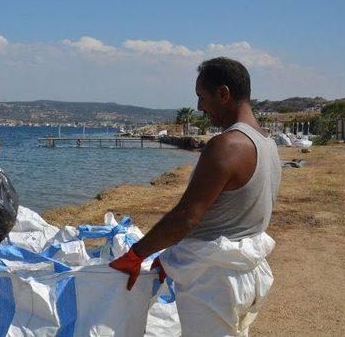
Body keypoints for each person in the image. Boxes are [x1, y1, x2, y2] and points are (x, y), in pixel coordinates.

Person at [110, 57, 281, 336]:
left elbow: (187, 217)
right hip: (246, 272)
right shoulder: (267, 144)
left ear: (223, 94)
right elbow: (231, 215)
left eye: (202, 97)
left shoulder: (227, 145)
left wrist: (136, 254)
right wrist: (172, 258)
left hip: (215, 281)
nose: (200, 107)